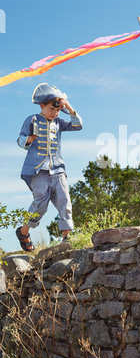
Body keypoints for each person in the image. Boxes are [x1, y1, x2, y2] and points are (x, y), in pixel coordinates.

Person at [16, 83, 83, 251]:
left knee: (64, 200)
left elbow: (78, 125)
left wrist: (67, 106)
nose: (55, 113)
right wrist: (28, 140)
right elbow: (20, 140)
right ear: (42, 106)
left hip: (58, 169)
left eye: (58, 110)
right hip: (38, 170)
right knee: (40, 204)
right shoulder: (31, 119)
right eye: (52, 109)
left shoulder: (59, 122)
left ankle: (66, 237)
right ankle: (23, 232)